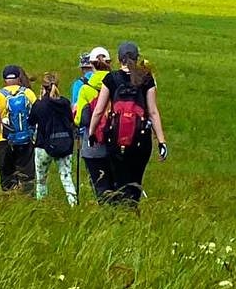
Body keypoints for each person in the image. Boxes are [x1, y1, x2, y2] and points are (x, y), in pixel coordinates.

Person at [88, 41, 167, 208]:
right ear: (137, 58)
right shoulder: (146, 79)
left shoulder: (111, 79)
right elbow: (153, 112)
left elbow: (99, 110)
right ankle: (132, 208)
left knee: (119, 178)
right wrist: (161, 141)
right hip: (141, 140)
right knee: (135, 179)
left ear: (118, 59)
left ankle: (119, 212)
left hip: (115, 139)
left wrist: (92, 133)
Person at [0, 65, 37, 194]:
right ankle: (27, 196)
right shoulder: (28, 93)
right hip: (25, 137)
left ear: (4, 80)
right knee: (26, 171)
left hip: (3, 138)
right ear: (19, 78)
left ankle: (9, 196)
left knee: (6, 172)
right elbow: (37, 111)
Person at [29, 71, 77, 205]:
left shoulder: (39, 105)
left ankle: (42, 204)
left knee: (41, 180)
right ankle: (73, 203)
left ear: (43, 88)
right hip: (64, 144)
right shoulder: (65, 103)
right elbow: (70, 120)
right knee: (66, 177)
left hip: (43, 145)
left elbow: (31, 121)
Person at [74, 47, 113, 202]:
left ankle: (105, 214)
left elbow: (80, 120)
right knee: (115, 183)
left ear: (91, 65)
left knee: (99, 185)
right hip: (116, 142)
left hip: (92, 144)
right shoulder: (118, 84)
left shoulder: (85, 88)